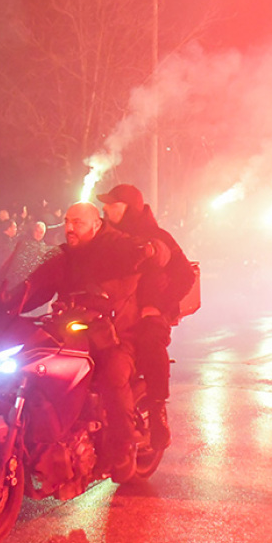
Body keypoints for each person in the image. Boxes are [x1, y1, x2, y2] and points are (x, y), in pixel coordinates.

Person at [20, 202, 150, 482]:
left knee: (113, 373)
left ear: (96, 224)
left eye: (77, 223)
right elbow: (38, 284)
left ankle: (123, 448)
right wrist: (14, 297)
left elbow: (127, 273)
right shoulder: (65, 255)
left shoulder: (115, 247)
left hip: (117, 332)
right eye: (67, 221)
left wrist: (101, 297)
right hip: (75, 328)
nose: (69, 228)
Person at [98, 184, 196, 450]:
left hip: (147, 313)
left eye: (113, 204)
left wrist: (159, 306)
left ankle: (157, 412)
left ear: (129, 208)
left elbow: (186, 275)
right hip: (115, 311)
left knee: (150, 342)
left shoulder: (157, 237)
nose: (106, 208)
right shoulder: (108, 237)